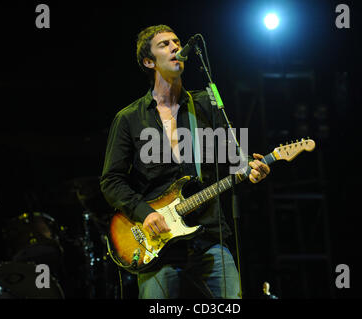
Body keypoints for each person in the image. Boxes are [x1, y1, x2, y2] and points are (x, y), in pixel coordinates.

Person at [100, 25, 270, 299]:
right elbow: (111, 181)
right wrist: (146, 213)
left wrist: (250, 165)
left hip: (210, 234)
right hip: (158, 242)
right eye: (164, 44)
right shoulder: (129, 118)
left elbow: (233, 155)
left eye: (177, 42)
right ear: (149, 61)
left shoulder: (205, 105)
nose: (175, 47)